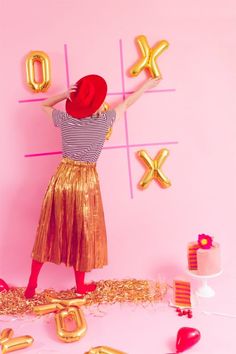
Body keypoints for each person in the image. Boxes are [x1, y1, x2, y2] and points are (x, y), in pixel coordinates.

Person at [24, 74, 161, 299]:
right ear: (98, 103)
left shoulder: (65, 119)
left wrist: (64, 95)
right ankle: (80, 287)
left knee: (48, 229)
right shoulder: (104, 119)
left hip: (62, 177)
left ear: (75, 102)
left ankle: (31, 285)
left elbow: (44, 105)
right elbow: (127, 103)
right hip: (85, 180)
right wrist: (146, 85)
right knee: (83, 232)